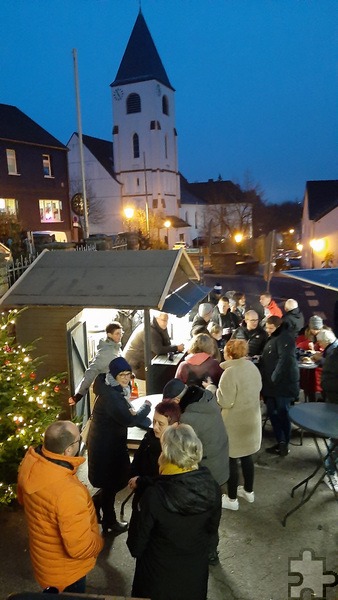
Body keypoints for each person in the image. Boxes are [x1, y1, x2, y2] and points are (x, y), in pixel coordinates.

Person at [127, 423, 222, 600]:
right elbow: (211, 533)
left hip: (156, 580)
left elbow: (136, 545)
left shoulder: (154, 495)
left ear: (167, 454)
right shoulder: (213, 488)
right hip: (194, 579)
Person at [17, 420, 103, 593]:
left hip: (45, 563)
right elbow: (80, 547)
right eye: (79, 439)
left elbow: (22, 500)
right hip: (68, 573)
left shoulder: (30, 464)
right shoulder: (68, 492)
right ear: (68, 450)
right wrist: (98, 542)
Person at [87, 357, 151, 533]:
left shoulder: (113, 389)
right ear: (113, 375)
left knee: (114, 481)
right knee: (112, 483)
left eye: (128, 374)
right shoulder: (112, 397)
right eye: (121, 375)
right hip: (106, 448)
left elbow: (126, 414)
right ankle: (110, 522)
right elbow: (130, 419)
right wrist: (146, 407)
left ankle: (97, 504)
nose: (125, 378)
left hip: (108, 443)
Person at [214, 340, 262, 510]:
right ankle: (249, 492)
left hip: (234, 424)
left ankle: (232, 499)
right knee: (247, 457)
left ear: (228, 353)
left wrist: (213, 389)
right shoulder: (252, 367)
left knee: (231, 460)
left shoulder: (229, 373)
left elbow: (225, 401)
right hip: (252, 421)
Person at [127, 401, 181, 549]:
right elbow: (137, 460)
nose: (155, 427)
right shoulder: (149, 437)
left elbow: (167, 482)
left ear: (174, 426)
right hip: (140, 499)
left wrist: (141, 481)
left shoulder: (177, 452)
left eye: (161, 424)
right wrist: (133, 476)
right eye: (154, 421)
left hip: (157, 505)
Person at [260, 316, 299, 456]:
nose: (268, 331)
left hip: (282, 386)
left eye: (270, 328)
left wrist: (273, 377)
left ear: (277, 326)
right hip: (271, 386)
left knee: (283, 414)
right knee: (273, 413)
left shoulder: (285, 338)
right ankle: (281, 441)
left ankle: (284, 443)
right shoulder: (274, 338)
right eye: (267, 328)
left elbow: (285, 360)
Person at [124, 311, 184, 394]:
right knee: (143, 391)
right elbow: (158, 349)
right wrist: (176, 347)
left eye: (166, 320)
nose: (165, 323)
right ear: (156, 318)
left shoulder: (158, 327)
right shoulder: (148, 330)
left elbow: (167, 343)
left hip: (143, 365)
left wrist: (173, 348)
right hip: (136, 366)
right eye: (163, 320)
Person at [69, 321, 123, 405]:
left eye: (121, 333)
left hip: (116, 389)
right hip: (107, 391)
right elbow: (91, 371)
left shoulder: (116, 348)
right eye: (117, 334)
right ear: (109, 335)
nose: (120, 336)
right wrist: (79, 395)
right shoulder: (105, 352)